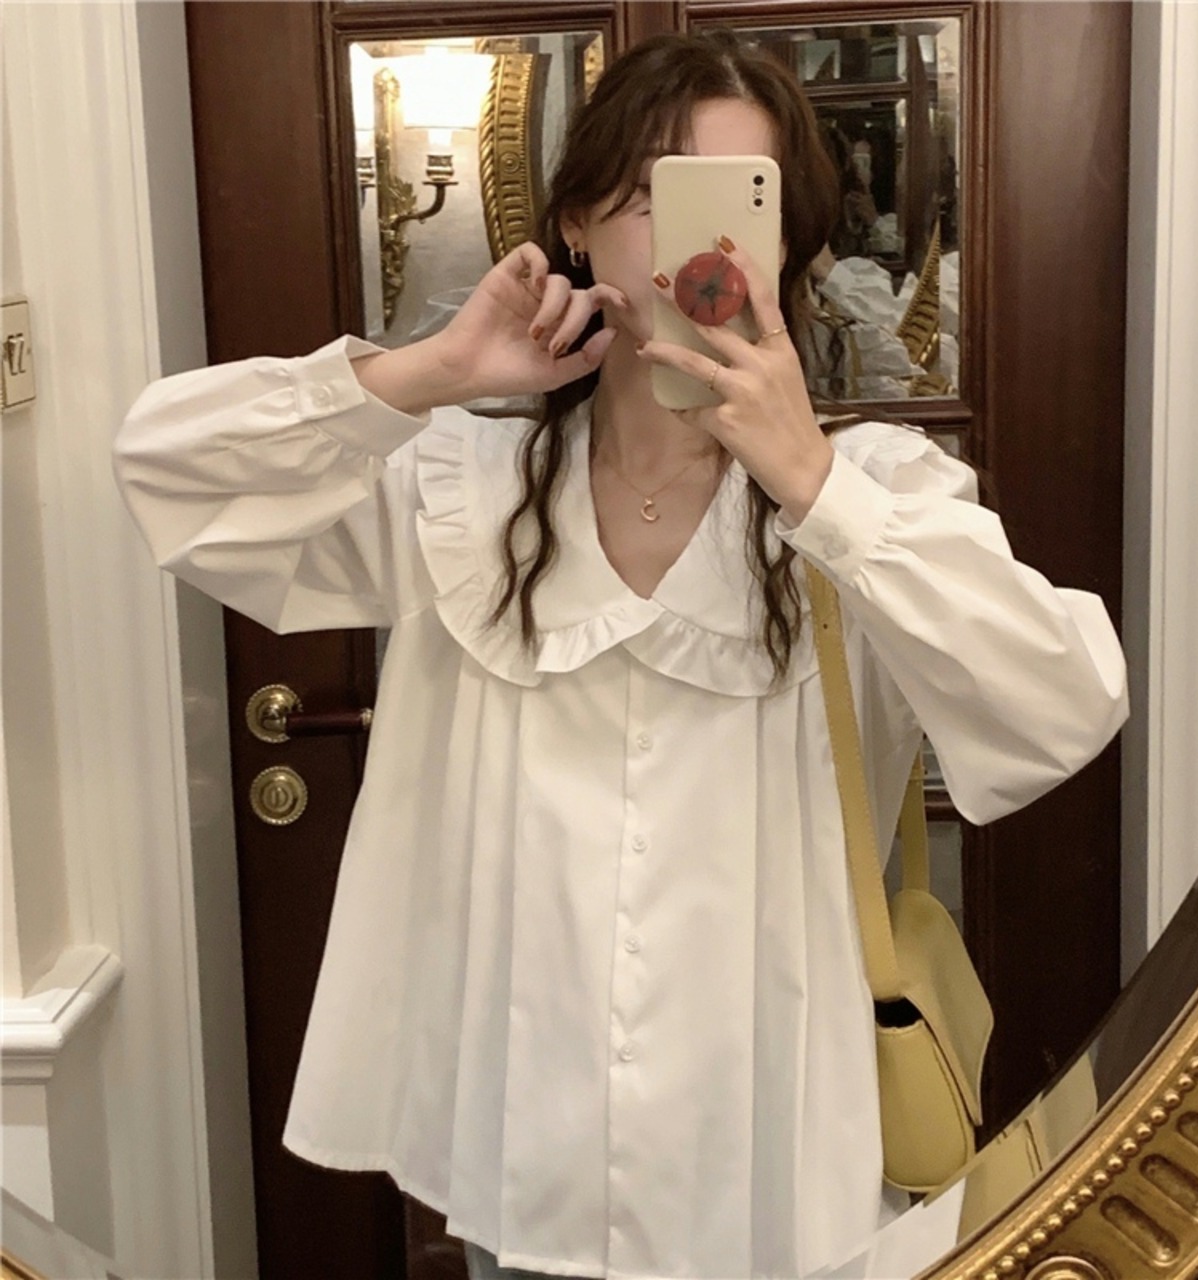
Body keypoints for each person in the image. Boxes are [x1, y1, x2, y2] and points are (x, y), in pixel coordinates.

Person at [113, 30, 1128, 1280]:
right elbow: (168, 473)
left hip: (774, 1156)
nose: (693, 241)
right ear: (578, 224)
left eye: (737, 201)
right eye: (651, 194)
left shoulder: (872, 494)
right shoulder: (462, 487)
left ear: (787, 242)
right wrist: (429, 372)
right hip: (522, 1151)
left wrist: (816, 486)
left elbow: (1063, 703)